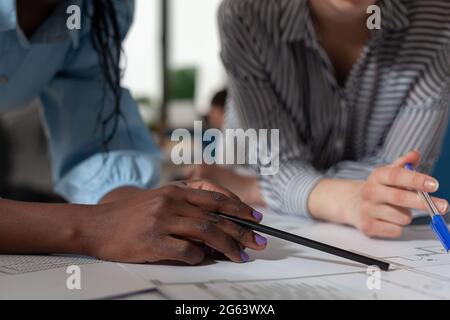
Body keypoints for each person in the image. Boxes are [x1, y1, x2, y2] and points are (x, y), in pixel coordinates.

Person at [0, 0, 267, 264]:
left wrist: (153, 207)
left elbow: (94, 149)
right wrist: (92, 227)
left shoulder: (93, 11)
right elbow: (102, 224)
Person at [219, 0, 450, 238]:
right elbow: (277, 165)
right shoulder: (246, 14)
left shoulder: (439, 23)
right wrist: (347, 199)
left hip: (351, 231)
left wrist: (257, 188)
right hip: (260, 220)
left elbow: (398, 180)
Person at [184, 89, 265, 206]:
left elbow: (223, 166)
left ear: (222, 111)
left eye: (213, 112)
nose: (211, 118)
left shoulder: (232, 126)